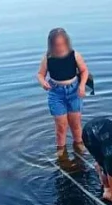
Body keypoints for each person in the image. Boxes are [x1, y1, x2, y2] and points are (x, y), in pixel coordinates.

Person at [37, 28, 90, 158]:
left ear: (67, 43)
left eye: (62, 44)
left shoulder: (74, 55)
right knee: (61, 126)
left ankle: (79, 144)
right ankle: (61, 149)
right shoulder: (47, 58)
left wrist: (82, 85)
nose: (60, 48)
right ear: (51, 45)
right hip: (56, 93)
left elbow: (84, 71)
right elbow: (40, 74)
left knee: (75, 124)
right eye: (56, 45)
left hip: (73, 91)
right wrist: (42, 82)